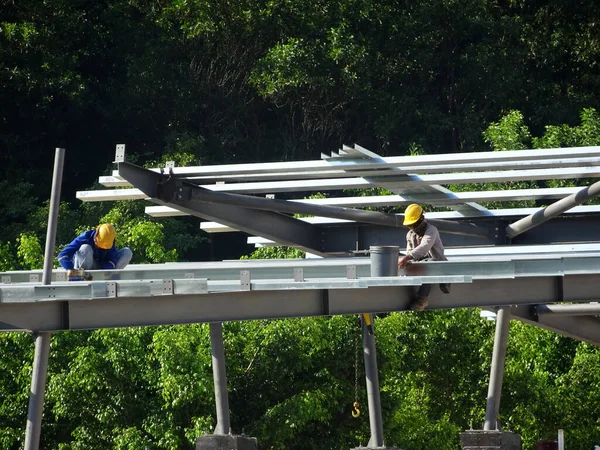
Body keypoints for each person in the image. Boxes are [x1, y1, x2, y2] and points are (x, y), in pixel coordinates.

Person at [398, 204, 450, 311]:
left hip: (436, 264)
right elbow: (409, 250)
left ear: (421, 219)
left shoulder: (431, 230)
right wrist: (407, 260)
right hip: (420, 265)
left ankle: (422, 299)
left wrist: (408, 257)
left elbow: (424, 246)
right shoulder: (410, 235)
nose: (413, 228)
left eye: (414, 224)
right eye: (410, 225)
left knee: (429, 264)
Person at [57, 224, 133, 279]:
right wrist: (70, 268)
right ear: (95, 237)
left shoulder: (109, 241)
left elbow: (112, 260)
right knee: (85, 248)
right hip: (84, 270)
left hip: (101, 268)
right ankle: (84, 278)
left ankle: (110, 277)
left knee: (127, 252)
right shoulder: (85, 237)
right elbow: (62, 255)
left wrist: (103, 272)